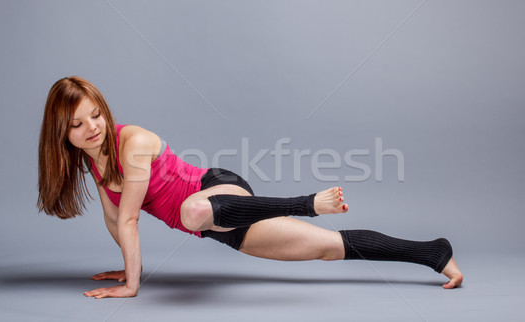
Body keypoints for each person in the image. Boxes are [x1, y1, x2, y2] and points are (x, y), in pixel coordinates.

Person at [37, 76, 463, 299]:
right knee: (328, 249)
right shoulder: (94, 160)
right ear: (62, 133)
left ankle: (306, 202)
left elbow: (129, 217)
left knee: (190, 213)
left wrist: (132, 285)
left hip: (216, 193)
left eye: (95, 115)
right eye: (76, 124)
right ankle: (433, 253)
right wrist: (128, 266)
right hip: (217, 224)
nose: (91, 128)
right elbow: (113, 217)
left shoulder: (132, 142)